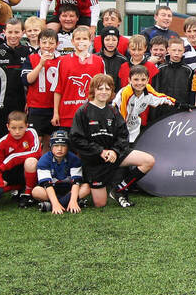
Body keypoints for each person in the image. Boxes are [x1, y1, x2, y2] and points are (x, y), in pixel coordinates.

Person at [68, 74, 155, 208]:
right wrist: (100, 151)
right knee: (100, 204)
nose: (104, 92)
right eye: (100, 88)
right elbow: (76, 138)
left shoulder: (113, 110)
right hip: (95, 161)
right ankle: (81, 191)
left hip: (114, 156)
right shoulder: (83, 111)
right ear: (93, 90)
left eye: (107, 89)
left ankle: (119, 190)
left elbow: (123, 135)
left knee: (148, 160)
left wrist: (114, 151)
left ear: (111, 92)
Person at [0, 18, 32, 144]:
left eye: (16, 32)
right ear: (4, 32)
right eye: (10, 32)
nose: (13, 36)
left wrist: (30, 101)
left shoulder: (29, 51)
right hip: (0, 104)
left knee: (21, 137)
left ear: (23, 33)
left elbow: (33, 80)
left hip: (21, 103)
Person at [53, 27, 105, 128]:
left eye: (84, 39)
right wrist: (56, 113)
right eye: (78, 39)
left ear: (90, 41)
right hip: (67, 115)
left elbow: (104, 89)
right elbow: (58, 89)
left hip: (92, 114)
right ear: (72, 41)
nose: (81, 42)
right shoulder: (63, 61)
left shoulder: (98, 61)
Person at [31, 130, 91, 214]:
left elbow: (76, 182)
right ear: (51, 146)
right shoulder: (44, 160)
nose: (59, 149)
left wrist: (73, 200)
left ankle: (50, 205)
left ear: (68, 146)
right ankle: (66, 203)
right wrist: (55, 204)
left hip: (69, 190)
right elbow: (47, 184)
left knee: (86, 187)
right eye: (56, 145)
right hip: (51, 190)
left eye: (63, 145)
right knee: (36, 191)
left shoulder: (74, 159)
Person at [0, 110, 42, 202]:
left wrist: (12, 158)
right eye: (13, 128)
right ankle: (17, 188)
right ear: (8, 127)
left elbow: (36, 152)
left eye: (21, 128)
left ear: (26, 126)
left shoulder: (31, 133)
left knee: (31, 161)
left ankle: (28, 193)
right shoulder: (3, 142)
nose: (17, 131)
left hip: (28, 169)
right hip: (10, 172)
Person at [116, 65, 175, 142]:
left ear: (148, 80)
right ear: (129, 80)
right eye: (136, 80)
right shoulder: (126, 93)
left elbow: (160, 97)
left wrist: (180, 104)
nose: (140, 83)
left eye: (143, 79)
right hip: (120, 127)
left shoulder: (148, 89)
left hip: (134, 126)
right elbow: (122, 115)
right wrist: (122, 136)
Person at [24, 29, 62, 139]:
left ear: (57, 44)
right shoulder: (32, 58)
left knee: (50, 141)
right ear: (39, 43)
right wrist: (41, 64)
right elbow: (27, 80)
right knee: (35, 139)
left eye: (51, 43)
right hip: (36, 107)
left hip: (54, 107)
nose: (47, 46)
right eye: (44, 42)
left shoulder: (62, 60)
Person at [149, 35, 194, 118]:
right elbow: (156, 91)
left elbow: (191, 92)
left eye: (179, 50)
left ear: (183, 50)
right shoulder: (160, 69)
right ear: (168, 50)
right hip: (163, 112)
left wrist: (188, 106)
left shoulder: (189, 70)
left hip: (181, 111)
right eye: (174, 50)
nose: (176, 53)